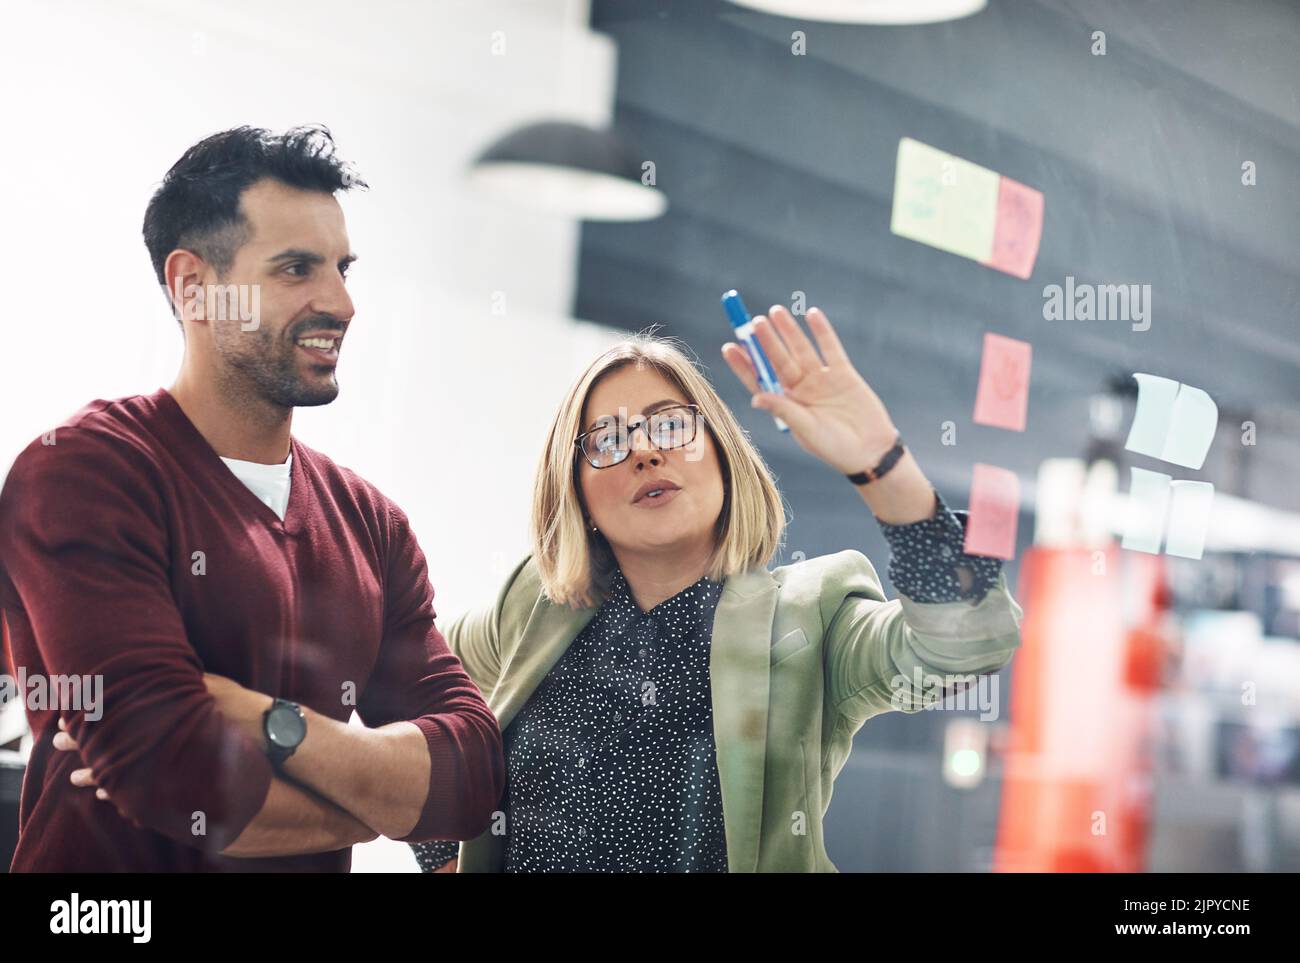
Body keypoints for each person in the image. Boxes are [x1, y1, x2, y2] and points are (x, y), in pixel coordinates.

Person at [0, 125, 504, 871]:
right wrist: (379, 804)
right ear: (192, 285)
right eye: (296, 268)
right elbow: (169, 773)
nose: (341, 302)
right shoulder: (83, 473)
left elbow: (475, 778)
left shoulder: (372, 525)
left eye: (343, 267)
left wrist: (272, 723)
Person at [411, 307, 1023, 872]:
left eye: (670, 426)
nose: (646, 451)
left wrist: (883, 467)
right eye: (607, 441)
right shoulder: (533, 607)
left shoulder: (813, 614)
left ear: (722, 454)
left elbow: (962, 647)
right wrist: (443, 858)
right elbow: (411, 685)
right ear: (577, 492)